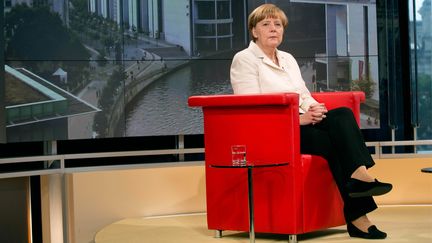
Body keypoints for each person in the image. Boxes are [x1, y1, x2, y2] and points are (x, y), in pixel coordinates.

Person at [230, 4, 392, 240]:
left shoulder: (287, 58)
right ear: (254, 31)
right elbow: (253, 107)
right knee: (335, 143)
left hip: (300, 127)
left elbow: (302, 93)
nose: (273, 29)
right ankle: (359, 209)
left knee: (342, 116)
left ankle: (360, 182)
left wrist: (314, 108)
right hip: (273, 133)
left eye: (277, 24)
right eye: (266, 24)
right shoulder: (244, 60)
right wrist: (300, 119)